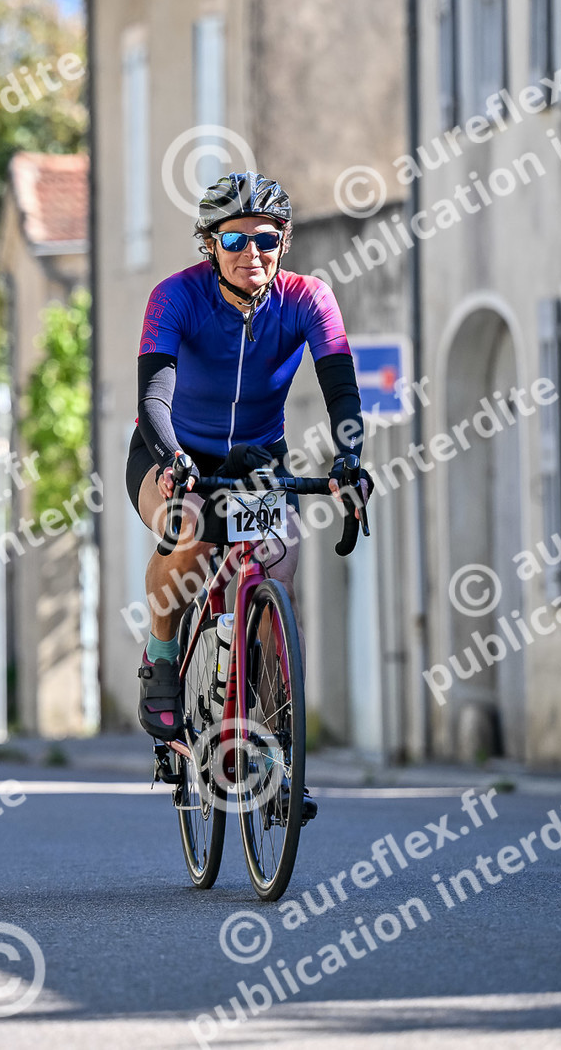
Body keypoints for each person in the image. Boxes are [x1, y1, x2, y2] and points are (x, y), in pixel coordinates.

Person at [128, 171, 371, 741]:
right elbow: (153, 398)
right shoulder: (175, 296)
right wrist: (172, 459)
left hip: (260, 460)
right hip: (174, 451)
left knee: (277, 575)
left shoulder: (309, 298)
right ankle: (161, 655)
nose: (251, 253)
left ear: (283, 243)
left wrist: (349, 459)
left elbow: (342, 392)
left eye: (266, 238)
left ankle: (275, 740)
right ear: (210, 245)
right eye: (235, 239)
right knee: (190, 534)